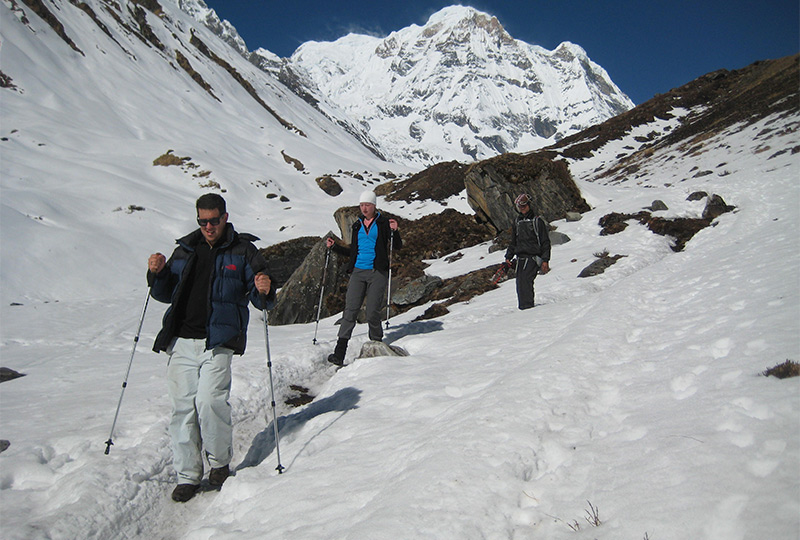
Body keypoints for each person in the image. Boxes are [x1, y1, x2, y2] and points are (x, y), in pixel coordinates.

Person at [147, 193, 275, 503]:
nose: (208, 226)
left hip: (218, 341)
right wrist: (157, 273)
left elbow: (261, 296)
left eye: (213, 221)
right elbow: (164, 294)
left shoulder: (243, 251)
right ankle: (188, 476)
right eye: (202, 221)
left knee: (209, 402)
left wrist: (265, 289)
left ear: (225, 217)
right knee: (182, 410)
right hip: (181, 340)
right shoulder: (184, 249)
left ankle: (218, 464)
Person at [325, 190, 401, 366]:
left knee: (372, 311)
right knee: (350, 311)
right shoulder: (357, 225)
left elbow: (397, 245)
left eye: (367, 205)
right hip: (358, 272)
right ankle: (339, 352)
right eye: (362, 205)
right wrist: (335, 247)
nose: (364, 208)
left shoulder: (383, 223)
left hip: (377, 272)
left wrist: (395, 231)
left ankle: (376, 344)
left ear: (374, 206)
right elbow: (353, 251)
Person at [505, 193, 551, 310]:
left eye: (524, 205)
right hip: (520, 258)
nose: (522, 208)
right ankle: (524, 309)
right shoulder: (517, 222)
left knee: (525, 283)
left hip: (532, 258)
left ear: (529, 205)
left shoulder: (537, 221)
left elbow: (545, 242)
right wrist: (508, 256)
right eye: (520, 206)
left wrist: (545, 260)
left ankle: (528, 310)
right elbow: (514, 241)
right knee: (520, 285)